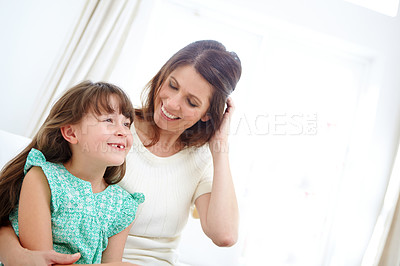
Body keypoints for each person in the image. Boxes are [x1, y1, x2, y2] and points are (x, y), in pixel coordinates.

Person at [0, 39, 241, 265]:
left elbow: (225, 235)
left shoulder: (201, 159)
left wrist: (220, 148)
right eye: (172, 85)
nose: (172, 103)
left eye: (192, 102)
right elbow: (16, 203)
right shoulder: (108, 130)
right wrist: (16, 256)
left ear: (208, 114)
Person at [0, 81, 144, 264]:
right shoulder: (44, 178)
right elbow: (42, 262)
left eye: (126, 123)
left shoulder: (123, 205)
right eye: (109, 120)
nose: (122, 131)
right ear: (71, 133)